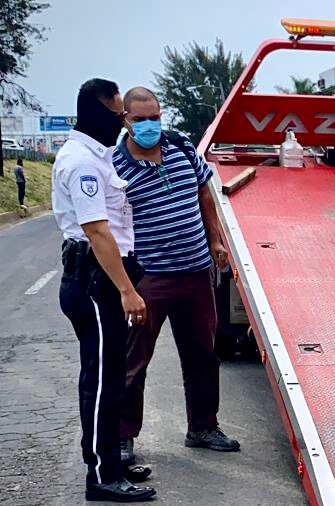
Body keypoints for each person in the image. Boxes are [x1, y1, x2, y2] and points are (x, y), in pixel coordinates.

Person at [113, 87, 239, 466]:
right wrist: (125, 286)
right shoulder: (115, 167)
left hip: (197, 272)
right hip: (150, 277)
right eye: (140, 120)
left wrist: (215, 240)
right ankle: (122, 436)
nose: (149, 126)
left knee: (203, 355)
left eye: (154, 118)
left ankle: (203, 427)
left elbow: (204, 193)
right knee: (133, 360)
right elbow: (111, 225)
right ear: (125, 120)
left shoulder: (181, 146)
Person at [52, 78, 156, 502]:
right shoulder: (83, 163)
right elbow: (97, 232)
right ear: (100, 113)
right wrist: (127, 290)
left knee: (110, 375)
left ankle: (108, 457)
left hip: (100, 279)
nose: (124, 123)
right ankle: (102, 475)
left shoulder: (100, 156)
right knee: (100, 380)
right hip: (96, 282)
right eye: (119, 114)